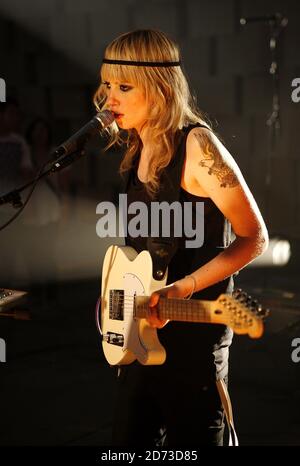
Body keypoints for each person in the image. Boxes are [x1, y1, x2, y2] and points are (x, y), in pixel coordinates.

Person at [93, 29, 269, 446]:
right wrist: (113, 294)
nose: (108, 98)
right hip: (141, 339)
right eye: (106, 84)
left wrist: (184, 287)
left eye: (123, 86)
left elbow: (254, 237)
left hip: (193, 346)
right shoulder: (136, 148)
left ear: (157, 88)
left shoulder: (197, 145)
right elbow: (142, 253)